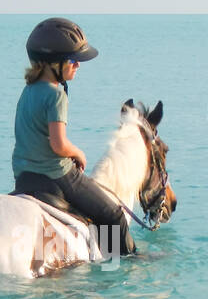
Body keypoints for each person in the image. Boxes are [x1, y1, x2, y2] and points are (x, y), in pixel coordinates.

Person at [11, 17, 136, 257]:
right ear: (53, 63)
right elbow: (58, 145)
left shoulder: (27, 91)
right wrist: (78, 153)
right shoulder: (56, 96)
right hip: (55, 174)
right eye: (73, 60)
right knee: (113, 214)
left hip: (24, 176)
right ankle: (117, 263)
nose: (78, 65)